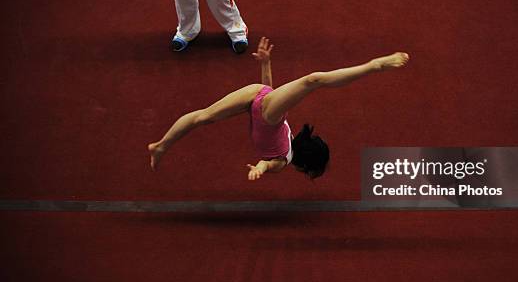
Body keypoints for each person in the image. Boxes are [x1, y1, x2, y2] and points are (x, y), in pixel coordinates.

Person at [148, 37, 410, 180]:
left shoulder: (282, 158)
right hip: (263, 106)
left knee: (313, 81)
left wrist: (259, 169)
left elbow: (267, 164)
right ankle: (374, 65)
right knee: (312, 81)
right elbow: (271, 100)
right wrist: (266, 65)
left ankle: (161, 145)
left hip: (259, 104)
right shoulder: (285, 147)